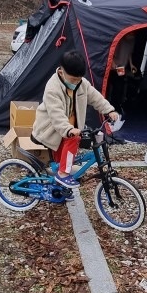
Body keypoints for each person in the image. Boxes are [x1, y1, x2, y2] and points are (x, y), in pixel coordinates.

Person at [32, 50, 119, 189]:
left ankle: (61, 180)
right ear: (61, 72)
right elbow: (57, 116)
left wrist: (109, 110)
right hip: (52, 130)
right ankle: (62, 175)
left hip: (69, 129)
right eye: (73, 80)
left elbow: (95, 97)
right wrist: (69, 129)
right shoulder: (52, 89)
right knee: (72, 143)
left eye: (79, 80)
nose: (76, 83)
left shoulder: (81, 83)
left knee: (67, 156)